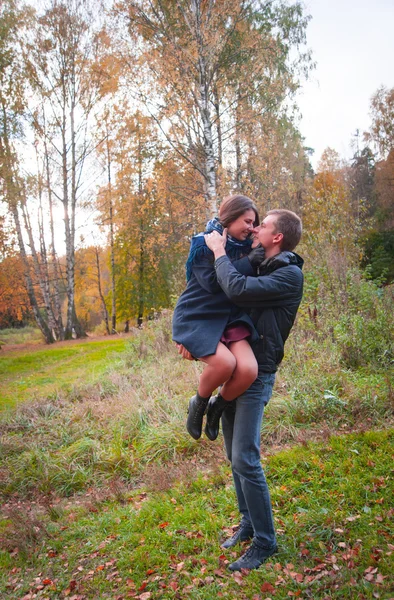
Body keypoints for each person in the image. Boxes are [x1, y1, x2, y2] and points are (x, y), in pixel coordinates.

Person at [200, 208, 304, 572]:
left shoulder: (289, 276)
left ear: (278, 237)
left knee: (245, 456)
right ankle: (248, 522)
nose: (256, 228)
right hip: (237, 371)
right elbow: (219, 300)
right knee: (234, 456)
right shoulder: (262, 264)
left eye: (264, 225)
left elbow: (237, 289)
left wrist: (218, 252)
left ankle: (265, 541)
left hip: (258, 376)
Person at [172, 195, 261, 441]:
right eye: (247, 221)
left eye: (254, 223)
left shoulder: (252, 248)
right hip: (199, 314)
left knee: (248, 370)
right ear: (230, 217)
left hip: (229, 317)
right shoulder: (204, 242)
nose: (251, 227)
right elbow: (213, 283)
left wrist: (254, 255)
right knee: (225, 364)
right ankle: (198, 403)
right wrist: (248, 260)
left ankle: (216, 407)